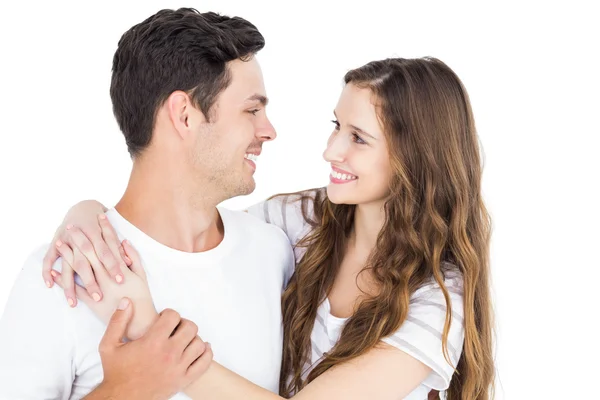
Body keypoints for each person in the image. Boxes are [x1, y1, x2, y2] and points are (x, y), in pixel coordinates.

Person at [43, 56, 496, 399]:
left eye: (358, 138)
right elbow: (187, 221)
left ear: (416, 158)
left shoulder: (438, 295)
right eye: (336, 126)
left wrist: (153, 334)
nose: (331, 151)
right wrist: (88, 216)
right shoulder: (300, 220)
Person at [0, 7, 294, 399]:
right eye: (252, 110)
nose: (268, 130)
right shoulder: (63, 274)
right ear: (184, 116)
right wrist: (124, 390)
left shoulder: (273, 251)